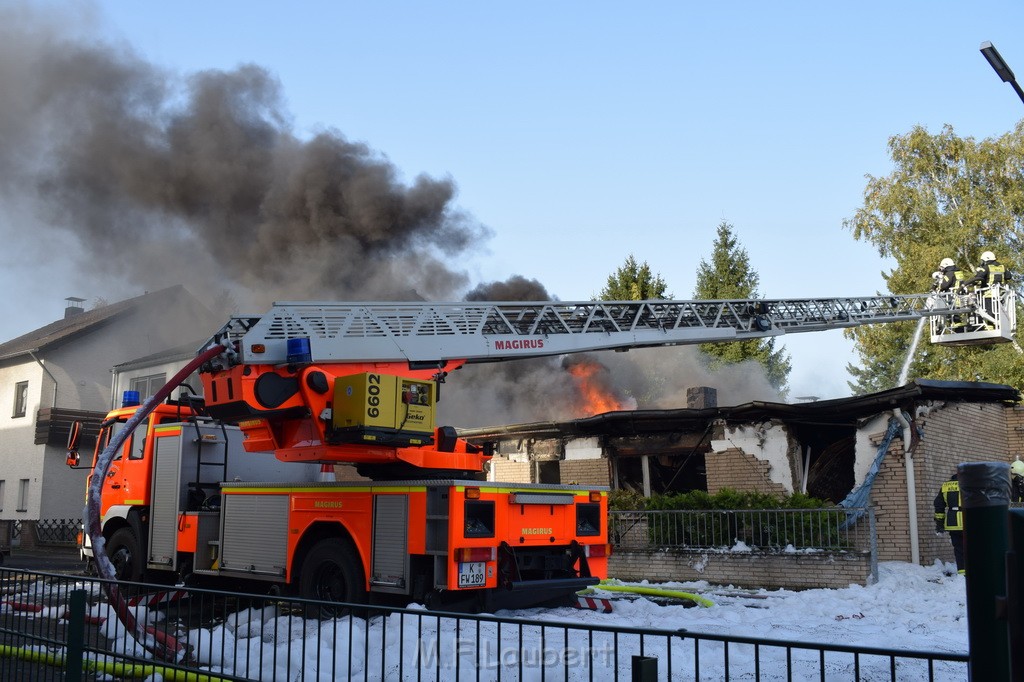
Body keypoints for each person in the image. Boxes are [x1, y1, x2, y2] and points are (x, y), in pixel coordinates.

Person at [963, 251, 1013, 329]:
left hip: (988, 293)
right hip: (1000, 294)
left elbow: (978, 278)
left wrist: (970, 283)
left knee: (985, 308)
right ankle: (995, 325)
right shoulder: (1002, 267)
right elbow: (1009, 276)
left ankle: (988, 325)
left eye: (983, 260)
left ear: (986, 259)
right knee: (996, 310)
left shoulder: (986, 267)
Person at [934, 472, 965, 575]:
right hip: (968, 521)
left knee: (959, 548)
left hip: (953, 522)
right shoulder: (969, 485)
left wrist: (939, 523)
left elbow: (939, 505)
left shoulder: (946, 486)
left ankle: (962, 572)